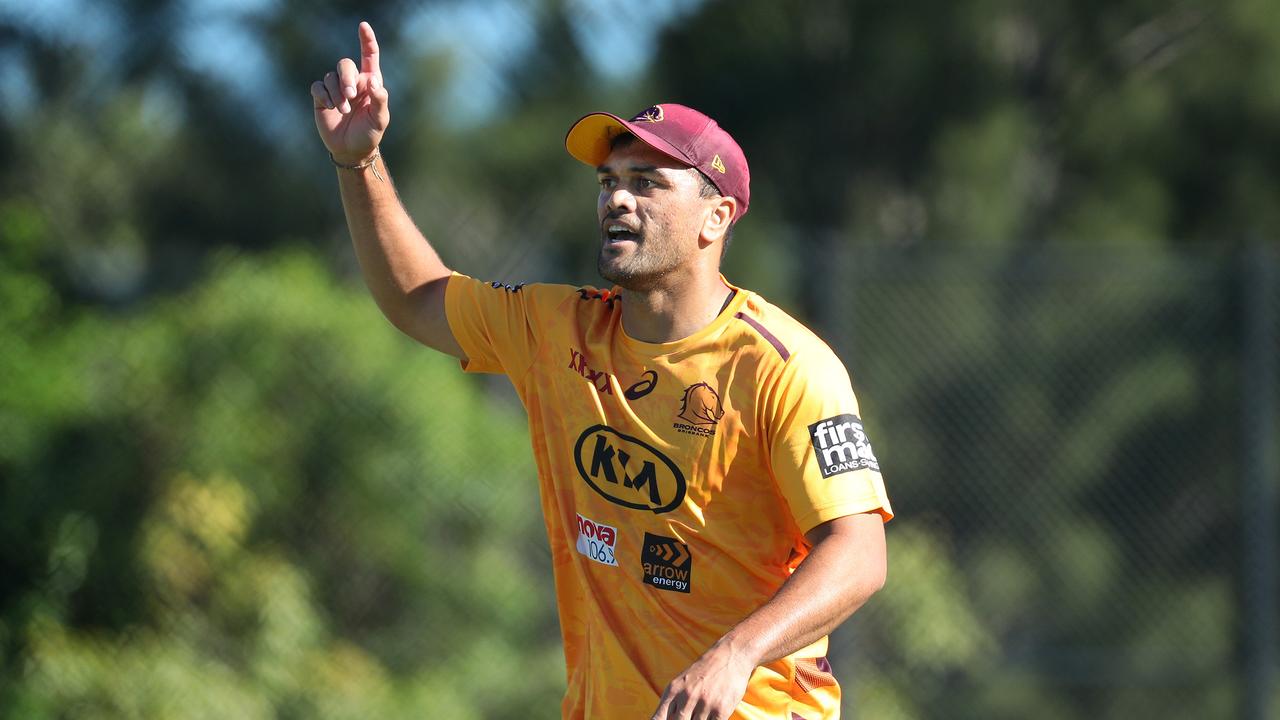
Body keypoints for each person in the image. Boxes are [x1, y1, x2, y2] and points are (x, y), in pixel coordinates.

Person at [310, 22, 892, 720]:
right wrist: (359, 162)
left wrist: (735, 653)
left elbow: (860, 554)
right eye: (609, 181)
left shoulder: (785, 369)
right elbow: (416, 299)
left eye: (646, 182)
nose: (617, 198)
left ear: (717, 217)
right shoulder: (556, 329)